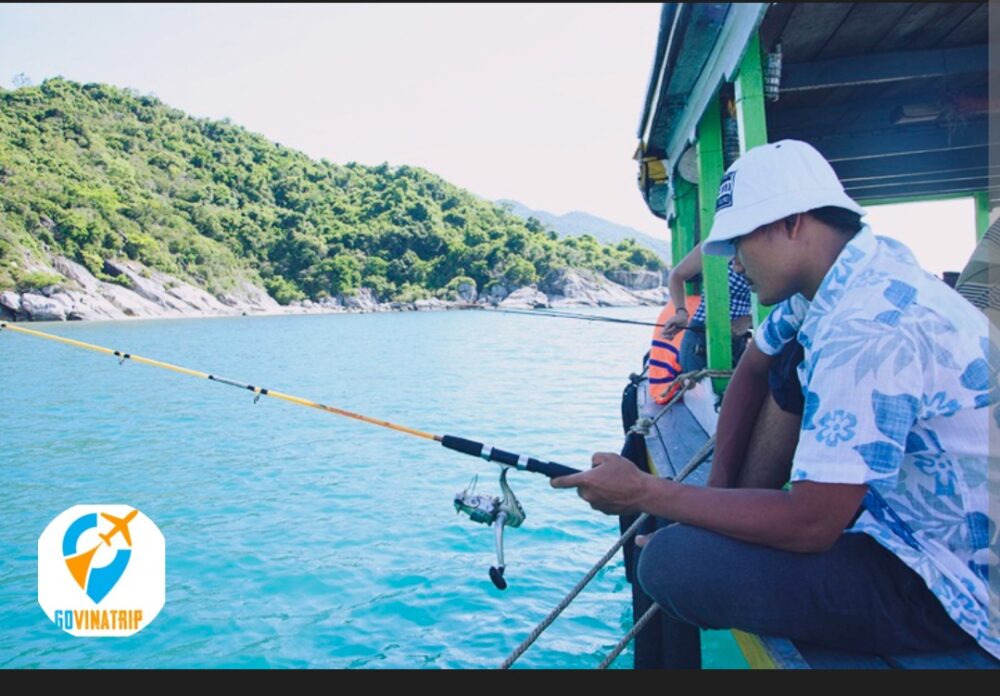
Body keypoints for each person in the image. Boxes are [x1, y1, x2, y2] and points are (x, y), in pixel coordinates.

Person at [552, 139, 1000, 659]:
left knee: (673, 564)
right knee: (788, 363)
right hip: (904, 524)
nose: (735, 265)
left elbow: (812, 524)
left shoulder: (866, 328)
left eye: (740, 242)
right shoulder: (854, 274)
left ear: (791, 223)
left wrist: (646, 492)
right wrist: (710, 507)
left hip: (953, 584)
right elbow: (754, 365)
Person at [661, 244, 752, 371]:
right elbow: (676, 275)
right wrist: (681, 313)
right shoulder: (715, 241)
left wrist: (749, 320)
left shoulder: (766, 247)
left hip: (738, 341)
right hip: (700, 339)